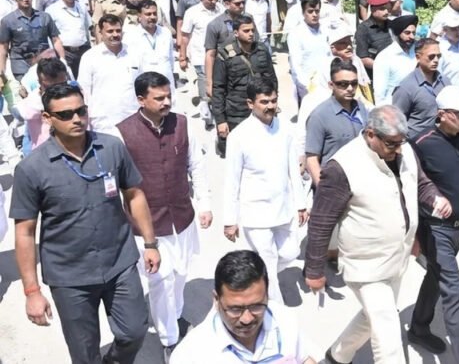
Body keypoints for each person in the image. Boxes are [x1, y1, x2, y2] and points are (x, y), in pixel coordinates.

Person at [9, 82, 160, 364]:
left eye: (81, 111)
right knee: (84, 353)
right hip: (70, 277)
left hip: (119, 263)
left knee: (134, 331)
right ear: (47, 118)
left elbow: (134, 195)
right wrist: (32, 292)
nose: (76, 119)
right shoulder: (31, 169)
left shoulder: (111, 148)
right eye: (65, 115)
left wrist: (150, 243)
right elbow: (25, 233)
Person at [305, 106, 451, 364]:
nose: (397, 149)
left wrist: (435, 199)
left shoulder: (403, 149)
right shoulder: (342, 167)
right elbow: (320, 221)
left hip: (396, 259)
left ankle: (338, 356)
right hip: (366, 266)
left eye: (401, 142)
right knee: (387, 334)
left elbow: (420, 183)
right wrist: (314, 270)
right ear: (370, 134)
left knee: (374, 315)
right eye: (391, 143)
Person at [117, 72, 211, 359]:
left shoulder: (182, 124)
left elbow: (197, 165)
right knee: (161, 281)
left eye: (168, 96)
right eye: (159, 98)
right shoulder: (122, 133)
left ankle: (175, 316)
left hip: (182, 218)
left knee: (180, 273)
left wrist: (205, 203)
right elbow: (117, 183)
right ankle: (169, 339)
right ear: (141, 100)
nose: (167, 102)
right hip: (148, 227)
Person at [408, 87, 459, 361]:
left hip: (458, 228)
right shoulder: (420, 143)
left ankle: (418, 327)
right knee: (453, 290)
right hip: (435, 229)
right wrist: (414, 235)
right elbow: (410, 187)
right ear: (442, 115)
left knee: (435, 278)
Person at [223, 78, 307, 304]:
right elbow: (231, 181)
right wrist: (230, 220)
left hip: (284, 208)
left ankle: (257, 275)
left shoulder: (285, 129)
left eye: (273, 100)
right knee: (268, 260)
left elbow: (293, 169)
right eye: (264, 102)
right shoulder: (238, 136)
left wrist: (300, 204)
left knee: (290, 252)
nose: (270, 106)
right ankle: (274, 310)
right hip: (256, 212)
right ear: (250, 104)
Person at [170, 250, 317, 364]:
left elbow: (304, 359)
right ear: (216, 299)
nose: (247, 319)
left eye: (256, 306)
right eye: (235, 309)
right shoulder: (190, 355)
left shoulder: (285, 320)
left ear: (267, 295)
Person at [211, 14, 276, 157]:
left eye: (252, 30)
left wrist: (272, 103)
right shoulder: (225, 54)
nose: (251, 33)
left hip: (260, 110)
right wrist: (220, 121)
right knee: (236, 154)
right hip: (236, 113)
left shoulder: (262, 50)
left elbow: (271, 79)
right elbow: (218, 89)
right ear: (236, 33)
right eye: (246, 31)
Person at [304, 59, 369, 187]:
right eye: (343, 84)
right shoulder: (319, 116)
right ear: (331, 85)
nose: (350, 88)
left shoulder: (361, 108)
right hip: (335, 185)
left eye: (354, 83)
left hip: (362, 182)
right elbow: (312, 159)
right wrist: (324, 189)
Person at [77, 14, 142, 136]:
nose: (115, 34)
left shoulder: (134, 53)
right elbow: (84, 91)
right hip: (103, 122)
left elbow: (143, 85)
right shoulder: (90, 57)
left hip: (133, 117)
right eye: (110, 31)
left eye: (118, 30)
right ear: (101, 33)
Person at [180, 0, 224, 127]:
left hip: (219, 54)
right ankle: (206, 109)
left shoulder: (221, 9)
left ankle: (218, 110)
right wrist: (182, 56)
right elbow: (185, 36)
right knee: (204, 82)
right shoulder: (192, 13)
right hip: (200, 54)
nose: (213, 2)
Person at [0, 0, 64, 82]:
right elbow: (3, 47)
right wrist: (2, 71)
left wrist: (63, 60)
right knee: (25, 90)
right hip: (21, 65)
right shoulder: (8, 21)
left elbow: (56, 39)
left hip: (44, 63)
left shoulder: (45, 17)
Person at [393, 38, 448, 137]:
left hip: (443, 139)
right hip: (416, 142)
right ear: (418, 57)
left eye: (438, 56)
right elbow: (397, 121)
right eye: (431, 56)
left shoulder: (445, 82)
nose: (436, 60)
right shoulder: (406, 87)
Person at [15, 57, 68, 153]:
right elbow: (18, 113)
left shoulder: (75, 93)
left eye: (62, 85)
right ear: (39, 82)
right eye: (50, 87)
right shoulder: (32, 102)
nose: (57, 91)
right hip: (45, 154)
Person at [123, 0, 176, 87]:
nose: (152, 17)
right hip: (145, 85)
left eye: (154, 13)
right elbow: (127, 64)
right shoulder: (130, 35)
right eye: (148, 14)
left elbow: (171, 59)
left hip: (166, 81)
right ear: (139, 16)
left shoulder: (165, 33)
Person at [44, 0, 91, 77]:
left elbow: (88, 27)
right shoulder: (52, 10)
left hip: (83, 49)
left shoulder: (81, 7)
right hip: (65, 52)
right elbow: (49, 34)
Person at [287, 0, 329, 100]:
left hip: (327, 83)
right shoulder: (296, 34)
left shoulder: (326, 30)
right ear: (303, 13)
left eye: (317, 11)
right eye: (310, 11)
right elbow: (295, 65)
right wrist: (306, 86)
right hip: (308, 87)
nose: (314, 15)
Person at [370, 14, 417, 105]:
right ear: (397, 34)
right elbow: (380, 94)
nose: (412, 37)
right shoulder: (385, 57)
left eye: (413, 33)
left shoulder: (417, 52)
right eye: (407, 33)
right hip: (394, 108)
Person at [355, 0, 395, 75]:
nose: (386, 12)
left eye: (388, 8)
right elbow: (363, 58)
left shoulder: (392, 25)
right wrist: (384, 68)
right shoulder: (363, 29)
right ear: (373, 10)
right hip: (376, 74)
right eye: (382, 9)